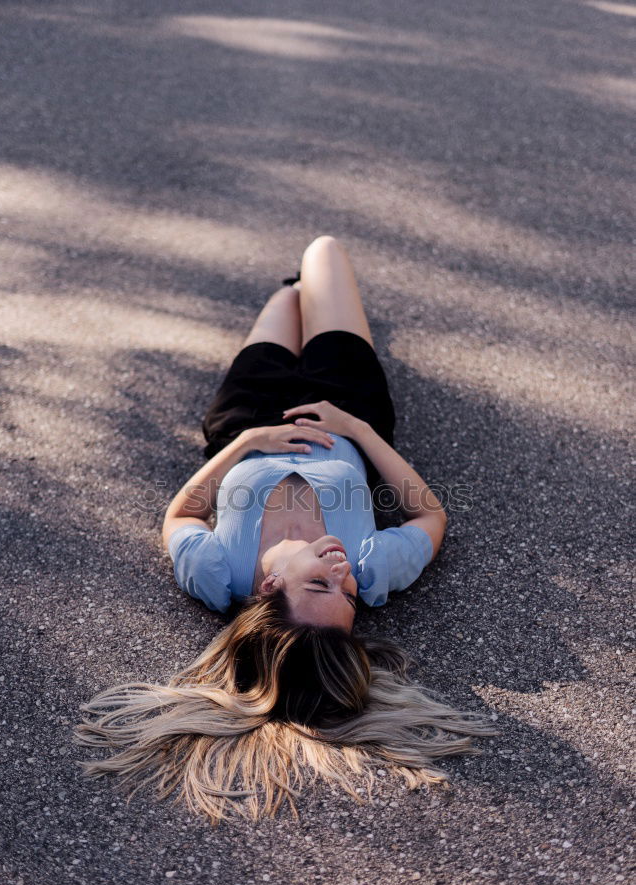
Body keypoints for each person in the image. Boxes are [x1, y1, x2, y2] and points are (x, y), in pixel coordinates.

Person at [75, 236, 496, 823]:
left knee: (290, 299)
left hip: (247, 415)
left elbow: (182, 516)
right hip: (347, 408)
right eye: (347, 594)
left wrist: (246, 443)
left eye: (323, 585)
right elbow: (431, 516)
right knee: (324, 249)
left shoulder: (219, 576)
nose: (342, 573)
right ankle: (308, 292)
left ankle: (292, 292)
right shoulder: (372, 572)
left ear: (271, 590)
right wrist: (361, 431)